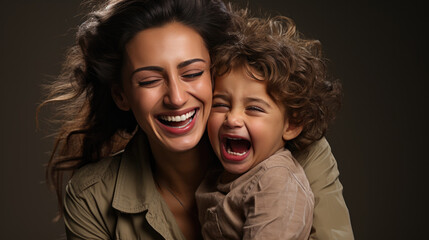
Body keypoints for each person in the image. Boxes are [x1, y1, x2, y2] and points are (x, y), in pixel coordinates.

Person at [39, 0, 353, 239]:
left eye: (192, 73)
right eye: (149, 80)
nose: (176, 97)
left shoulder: (301, 153)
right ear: (122, 95)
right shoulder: (91, 196)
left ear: (217, 69)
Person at [195, 8, 344, 239]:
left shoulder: (276, 183)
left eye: (253, 108)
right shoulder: (220, 175)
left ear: (292, 125)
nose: (232, 118)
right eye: (221, 104)